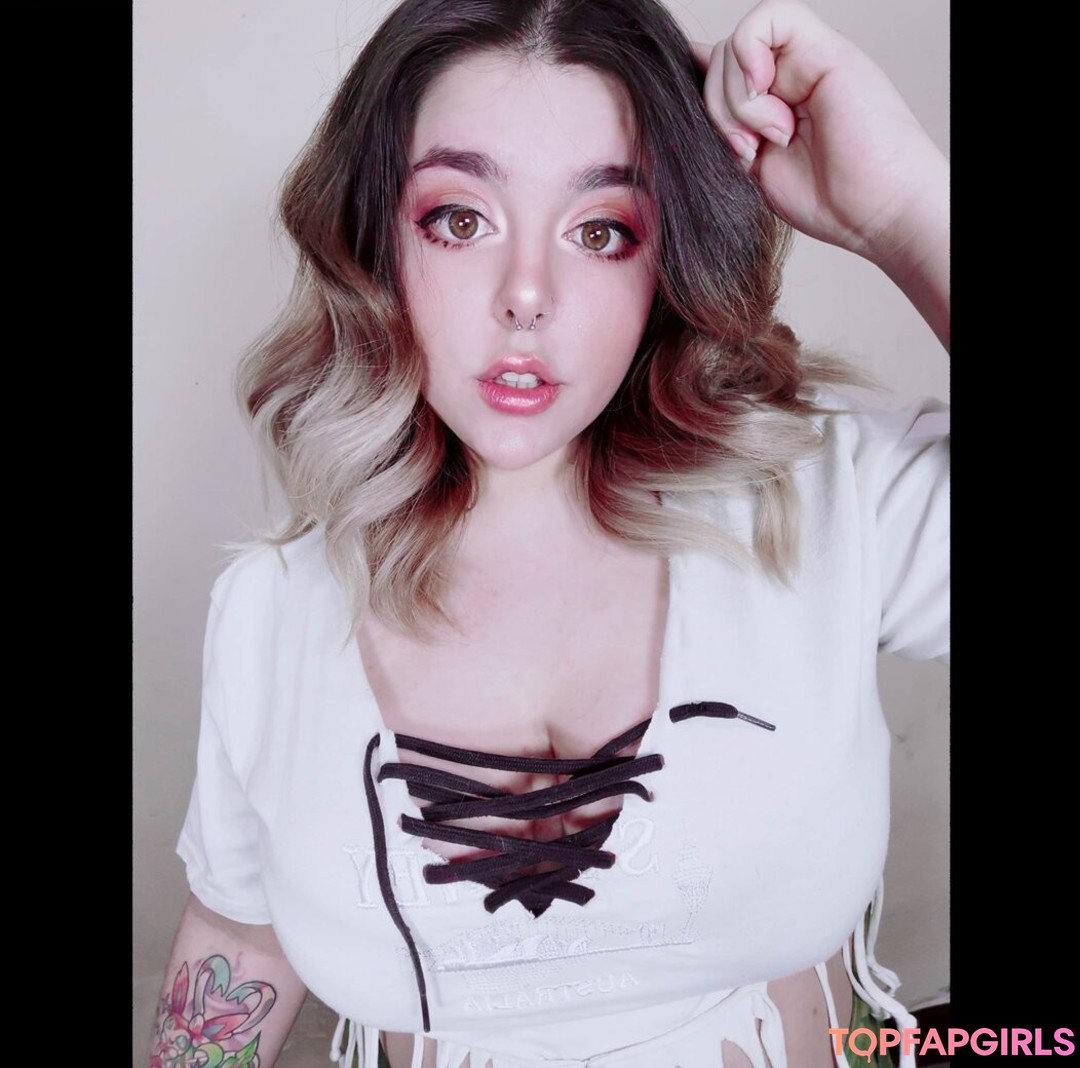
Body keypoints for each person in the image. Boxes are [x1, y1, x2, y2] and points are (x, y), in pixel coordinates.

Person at [146, 0, 948, 1066]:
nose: (527, 296)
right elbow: (240, 936)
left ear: (667, 260)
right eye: (459, 220)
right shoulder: (271, 613)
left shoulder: (825, 498)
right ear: (374, 240)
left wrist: (905, 209)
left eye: (602, 230)